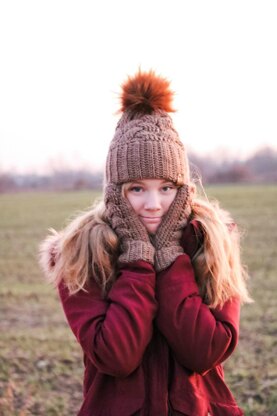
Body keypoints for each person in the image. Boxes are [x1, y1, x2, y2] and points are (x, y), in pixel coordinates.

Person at [39, 69, 252, 416]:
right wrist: (139, 260)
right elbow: (115, 357)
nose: (153, 204)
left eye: (166, 188)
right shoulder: (80, 254)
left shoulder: (213, 244)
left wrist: (170, 257)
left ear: (182, 190)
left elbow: (205, 352)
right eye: (137, 188)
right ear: (115, 191)